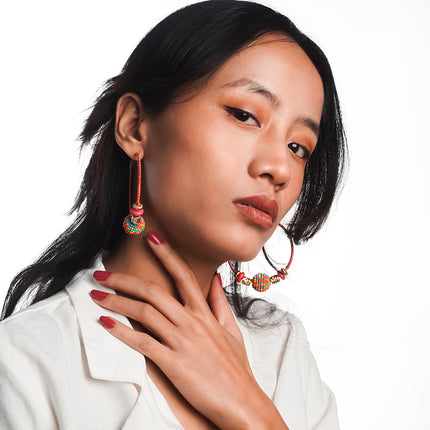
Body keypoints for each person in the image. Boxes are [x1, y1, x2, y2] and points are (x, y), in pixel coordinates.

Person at [0, 1, 346, 429]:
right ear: (134, 126)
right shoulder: (24, 364)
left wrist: (251, 410)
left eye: (299, 147)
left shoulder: (283, 353)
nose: (279, 168)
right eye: (244, 115)